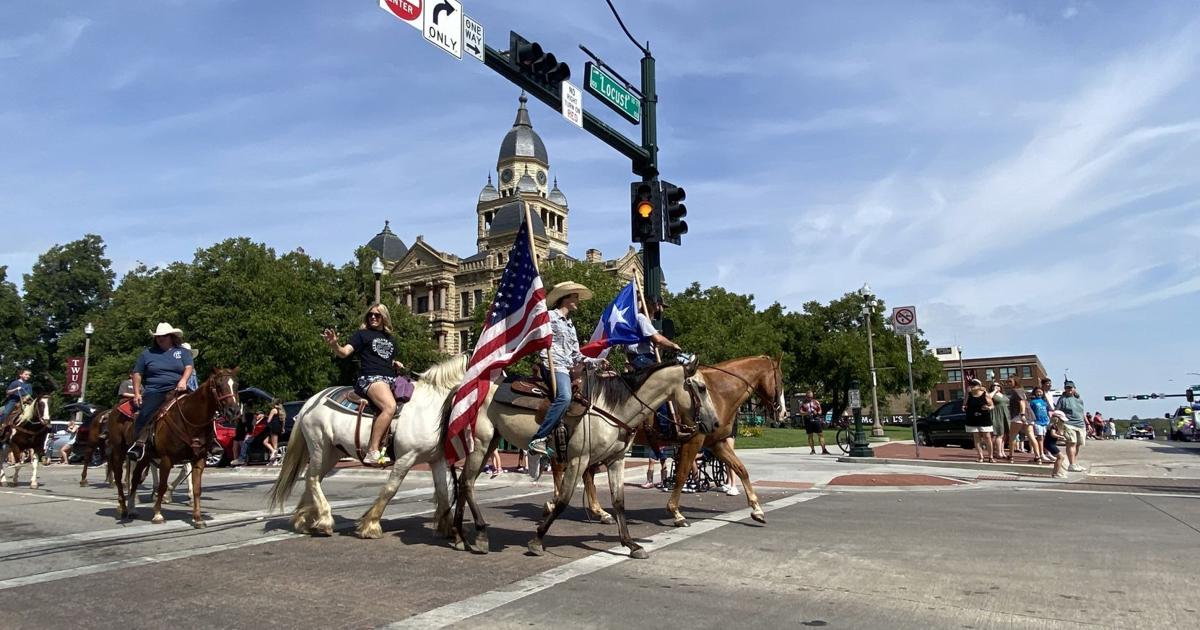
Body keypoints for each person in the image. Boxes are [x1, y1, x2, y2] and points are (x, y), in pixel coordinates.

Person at [323, 304, 406, 467]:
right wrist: (334, 345)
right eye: (370, 315)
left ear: (384, 317)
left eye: (377, 315)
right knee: (390, 407)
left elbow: (383, 359)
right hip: (371, 378)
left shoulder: (391, 340)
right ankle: (372, 451)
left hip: (389, 379)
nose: (373, 317)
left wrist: (395, 364)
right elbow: (345, 352)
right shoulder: (362, 335)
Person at [528, 282, 604, 457]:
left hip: (567, 368)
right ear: (565, 298)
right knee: (565, 396)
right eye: (575, 297)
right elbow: (536, 333)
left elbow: (576, 355)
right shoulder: (550, 316)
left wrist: (598, 362)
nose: (578, 301)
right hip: (553, 365)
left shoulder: (571, 325)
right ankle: (539, 438)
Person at [127, 323, 195, 461]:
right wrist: (137, 393)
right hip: (155, 390)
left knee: (200, 407)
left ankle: (210, 441)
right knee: (146, 412)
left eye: (163, 336)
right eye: (158, 336)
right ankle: (139, 443)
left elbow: (189, 367)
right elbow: (137, 373)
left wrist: (183, 381)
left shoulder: (182, 352)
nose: (160, 338)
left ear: (171, 337)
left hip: (177, 388)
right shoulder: (147, 354)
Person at [1054, 380, 1088, 473]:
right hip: (1069, 424)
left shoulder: (1079, 399)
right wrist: (1059, 425)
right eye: (1066, 388)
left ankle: (1075, 463)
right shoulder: (1062, 399)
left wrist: (1087, 423)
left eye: (1070, 387)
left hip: (1080, 424)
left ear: (1074, 389)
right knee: (1071, 443)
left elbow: (1082, 412)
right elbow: (1057, 412)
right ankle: (1071, 464)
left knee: (1077, 444)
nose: (1068, 389)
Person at [1006, 378, 1040, 463]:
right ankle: (1038, 457)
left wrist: (1022, 414)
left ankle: (1011, 456)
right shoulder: (1021, 391)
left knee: (1012, 436)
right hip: (1028, 415)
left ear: (1015, 382)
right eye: (1007, 381)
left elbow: (1022, 402)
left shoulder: (1016, 391)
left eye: (1010, 381)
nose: (1008, 383)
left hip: (1019, 415)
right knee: (1031, 436)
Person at [963, 379, 994, 462]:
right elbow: (964, 404)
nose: (972, 386)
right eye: (971, 385)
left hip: (984, 417)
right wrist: (964, 407)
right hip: (972, 417)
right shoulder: (969, 394)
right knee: (976, 437)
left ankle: (991, 457)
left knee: (987, 437)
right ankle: (980, 456)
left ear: (979, 386)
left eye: (974, 385)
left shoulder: (984, 394)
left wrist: (988, 407)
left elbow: (992, 405)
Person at [1029, 386, 1055, 464]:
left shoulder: (1044, 401)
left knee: (1047, 438)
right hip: (1037, 421)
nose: (1039, 393)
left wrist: (1050, 420)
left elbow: (1048, 411)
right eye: (1037, 392)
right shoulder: (1032, 402)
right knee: (1040, 438)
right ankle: (1041, 453)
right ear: (1035, 393)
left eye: (1040, 392)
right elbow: (1030, 411)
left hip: (1045, 421)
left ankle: (1048, 453)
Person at [990, 382, 1011, 461]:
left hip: (1006, 415)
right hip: (997, 415)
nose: (996, 386)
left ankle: (1002, 451)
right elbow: (988, 397)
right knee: (999, 434)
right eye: (994, 385)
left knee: (1004, 435)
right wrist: (994, 391)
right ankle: (998, 452)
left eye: (998, 385)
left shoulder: (1003, 395)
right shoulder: (992, 394)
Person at [1048, 411, 1069, 478]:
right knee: (1061, 457)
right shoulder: (1053, 426)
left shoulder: (1055, 426)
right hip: (1049, 444)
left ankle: (1056, 473)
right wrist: (1060, 437)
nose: (1063, 422)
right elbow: (1053, 434)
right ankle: (1055, 473)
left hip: (1051, 443)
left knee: (1060, 457)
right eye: (1061, 420)